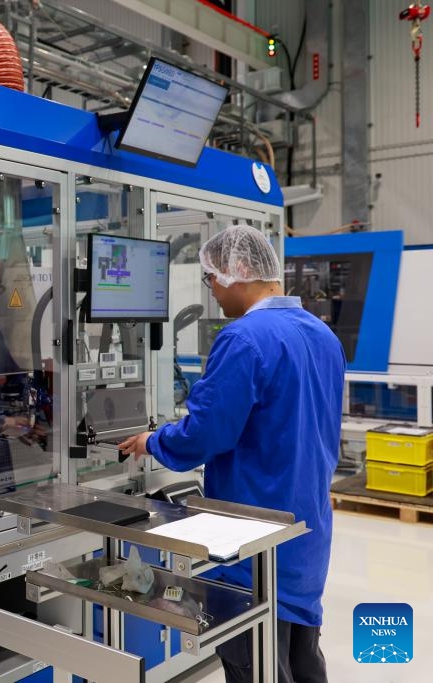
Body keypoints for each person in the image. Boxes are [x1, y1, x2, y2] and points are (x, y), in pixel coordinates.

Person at [119, 225, 345, 683]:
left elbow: (206, 434)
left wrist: (153, 442)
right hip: (306, 533)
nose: (212, 291)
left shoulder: (243, 338)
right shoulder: (323, 335)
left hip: (251, 535)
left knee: (255, 664)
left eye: (211, 278)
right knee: (302, 658)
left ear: (237, 270)